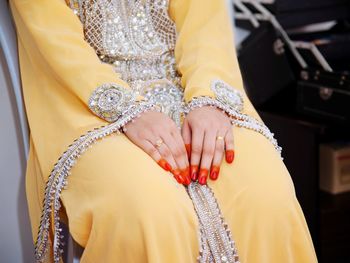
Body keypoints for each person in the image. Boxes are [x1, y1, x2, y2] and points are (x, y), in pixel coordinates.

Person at [10, 0, 317, 262]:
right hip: (86, 103)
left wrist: (208, 99)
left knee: (265, 194)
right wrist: (128, 110)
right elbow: (52, 40)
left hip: (189, 92)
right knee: (149, 210)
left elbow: (205, 26)